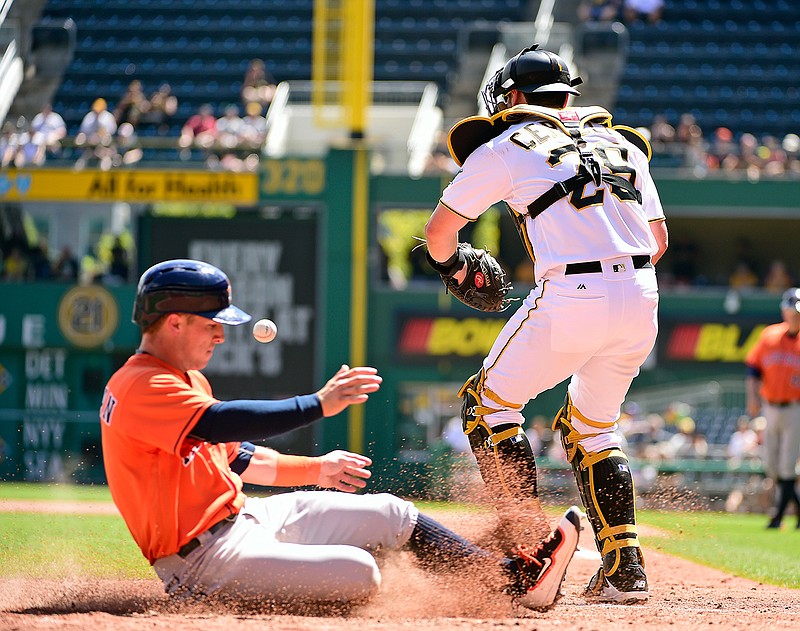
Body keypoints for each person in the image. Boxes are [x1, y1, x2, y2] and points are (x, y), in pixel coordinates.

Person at [99, 258, 582, 610]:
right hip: (204, 562)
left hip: (247, 517)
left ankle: (514, 580)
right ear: (176, 321)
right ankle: (241, 590)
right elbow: (222, 422)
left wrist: (318, 469)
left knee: (393, 513)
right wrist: (318, 405)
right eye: (213, 324)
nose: (221, 335)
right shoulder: (142, 384)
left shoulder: (183, 380)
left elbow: (242, 458)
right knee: (359, 572)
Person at [423, 43, 668, 604]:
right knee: (594, 427)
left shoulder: (507, 144)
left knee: (487, 406)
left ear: (512, 97)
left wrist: (452, 265)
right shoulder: (621, 142)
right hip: (641, 295)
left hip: (571, 292)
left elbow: (440, 234)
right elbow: (657, 243)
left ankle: (531, 550)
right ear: (568, 96)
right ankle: (624, 568)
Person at [744, 287, 800, 529]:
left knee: (787, 464)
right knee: (771, 465)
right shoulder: (769, 335)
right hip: (770, 406)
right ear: (784, 310)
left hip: (795, 407)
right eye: (791, 311)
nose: (794, 316)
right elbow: (753, 370)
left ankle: (777, 518)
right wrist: (752, 398)